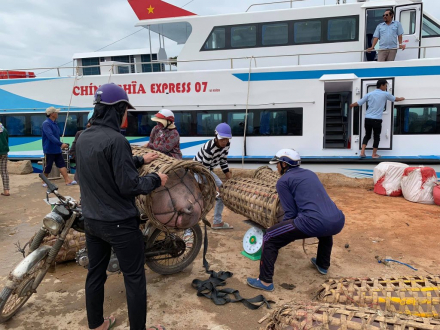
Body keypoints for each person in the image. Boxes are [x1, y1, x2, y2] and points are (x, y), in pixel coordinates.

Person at [76, 83, 168, 330]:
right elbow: (129, 185)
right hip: (119, 224)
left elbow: (102, 165)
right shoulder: (116, 140)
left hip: (92, 222)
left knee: (95, 273)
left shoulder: (82, 137)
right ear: (117, 109)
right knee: (135, 278)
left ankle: (96, 324)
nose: (126, 115)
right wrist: (156, 179)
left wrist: (139, 159)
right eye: (125, 109)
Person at [247, 149, 345, 292]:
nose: (276, 168)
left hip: (313, 221)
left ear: (284, 164)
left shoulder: (283, 181)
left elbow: (291, 213)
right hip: (337, 220)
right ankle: (322, 265)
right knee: (324, 228)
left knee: (269, 236)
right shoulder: (310, 174)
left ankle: (265, 281)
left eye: (277, 165)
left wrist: (282, 232)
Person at [350, 79, 405, 158]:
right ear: (382, 85)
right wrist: (401, 98)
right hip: (377, 120)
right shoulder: (385, 94)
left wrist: (351, 105)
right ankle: (374, 154)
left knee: (367, 135)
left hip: (367, 119)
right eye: (385, 85)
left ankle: (362, 152)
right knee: (376, 136)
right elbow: (395, 99)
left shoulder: (369, 94)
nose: (386, 87)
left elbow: (359, 103)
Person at [194, 123, 233, 230]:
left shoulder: (227, 145)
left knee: (221, 192)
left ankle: (217, 222)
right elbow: (205, 170)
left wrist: (231, 180)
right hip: (198, 170)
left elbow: (223, 162)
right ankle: (192, 223)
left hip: (208, 169)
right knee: (199, 195)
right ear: (216, 136)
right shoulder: (209, 149)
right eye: (222, 139)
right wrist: (214, 186)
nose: (224, 141)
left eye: (226, 139)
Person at [42, 106, 76, 186]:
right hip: (49, 149)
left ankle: (67, 180)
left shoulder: (55, 123)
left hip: (57, 149)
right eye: (56, 112)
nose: (58, 114)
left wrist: (59, 145)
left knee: (61, 164)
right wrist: (60, 144)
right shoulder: (46, 124)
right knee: (48, 166)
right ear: (52, 114)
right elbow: (50, 136)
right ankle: (44, 181)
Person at [0, 122, 10, 197]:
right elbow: (7, 141)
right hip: (4, 152)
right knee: (4, 171)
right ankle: (6, 191)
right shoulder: (4, 130)